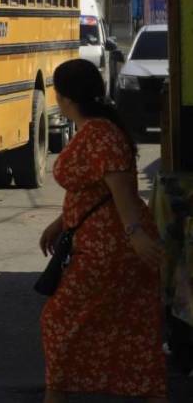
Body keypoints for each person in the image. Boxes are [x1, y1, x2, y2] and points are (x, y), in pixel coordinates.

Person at [38, 58, 166, 403]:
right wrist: (62, 222)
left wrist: (134, 233)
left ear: (63, 97)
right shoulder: (97, 128)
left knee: (61, 322)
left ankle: (58, 392)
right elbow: (95, 190)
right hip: (101, 241)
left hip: (108, 248)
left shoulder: (99, 134)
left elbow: (122, 191)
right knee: (130, 327)